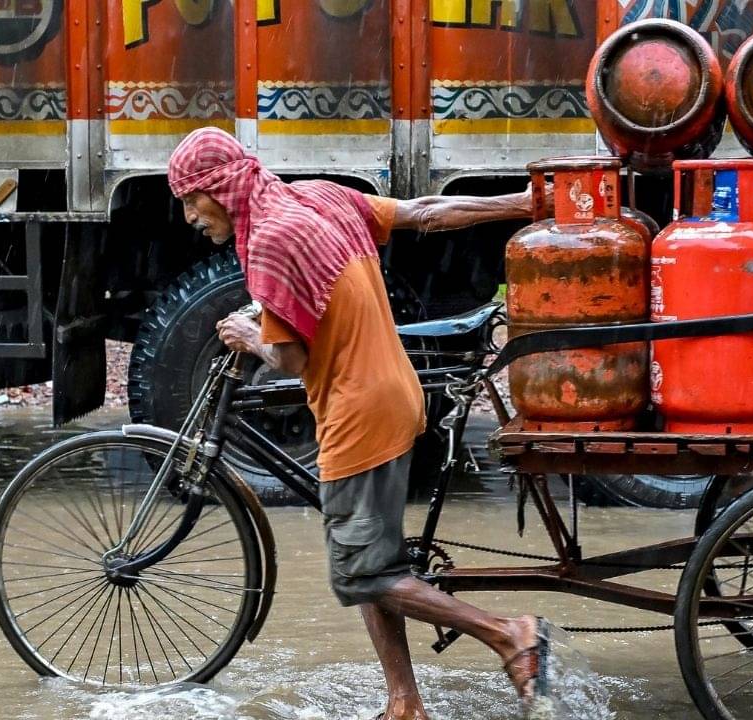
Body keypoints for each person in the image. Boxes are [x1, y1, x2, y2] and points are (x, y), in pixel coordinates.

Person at [167, 127, 546, 720]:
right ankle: (404, 702)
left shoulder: (269, 239)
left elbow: (290, 360)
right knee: (377, 563)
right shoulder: (318, 197)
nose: (190, 214)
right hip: (398, 391)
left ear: (223, 188)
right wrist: (521, 203)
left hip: (358, 415)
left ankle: (508, 634)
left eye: (193, 199)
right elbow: (425, 212)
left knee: (358, 575)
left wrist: (249, 334)